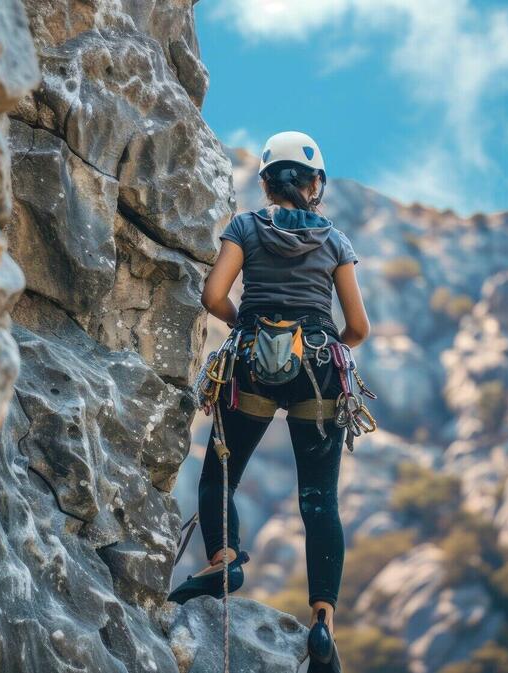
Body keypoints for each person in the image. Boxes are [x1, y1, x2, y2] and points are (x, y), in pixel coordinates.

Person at [168, 131, 370, 671]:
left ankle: (224, 560)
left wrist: (246, 327)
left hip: (254, 363)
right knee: (319, 501)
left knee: (219, 476)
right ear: (314, 184)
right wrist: (328, 350)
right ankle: (322, 624)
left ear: (265, 183)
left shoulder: (244, 227)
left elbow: (215, 295)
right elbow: (358, 326)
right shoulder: (336, 242)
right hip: (320, 368)